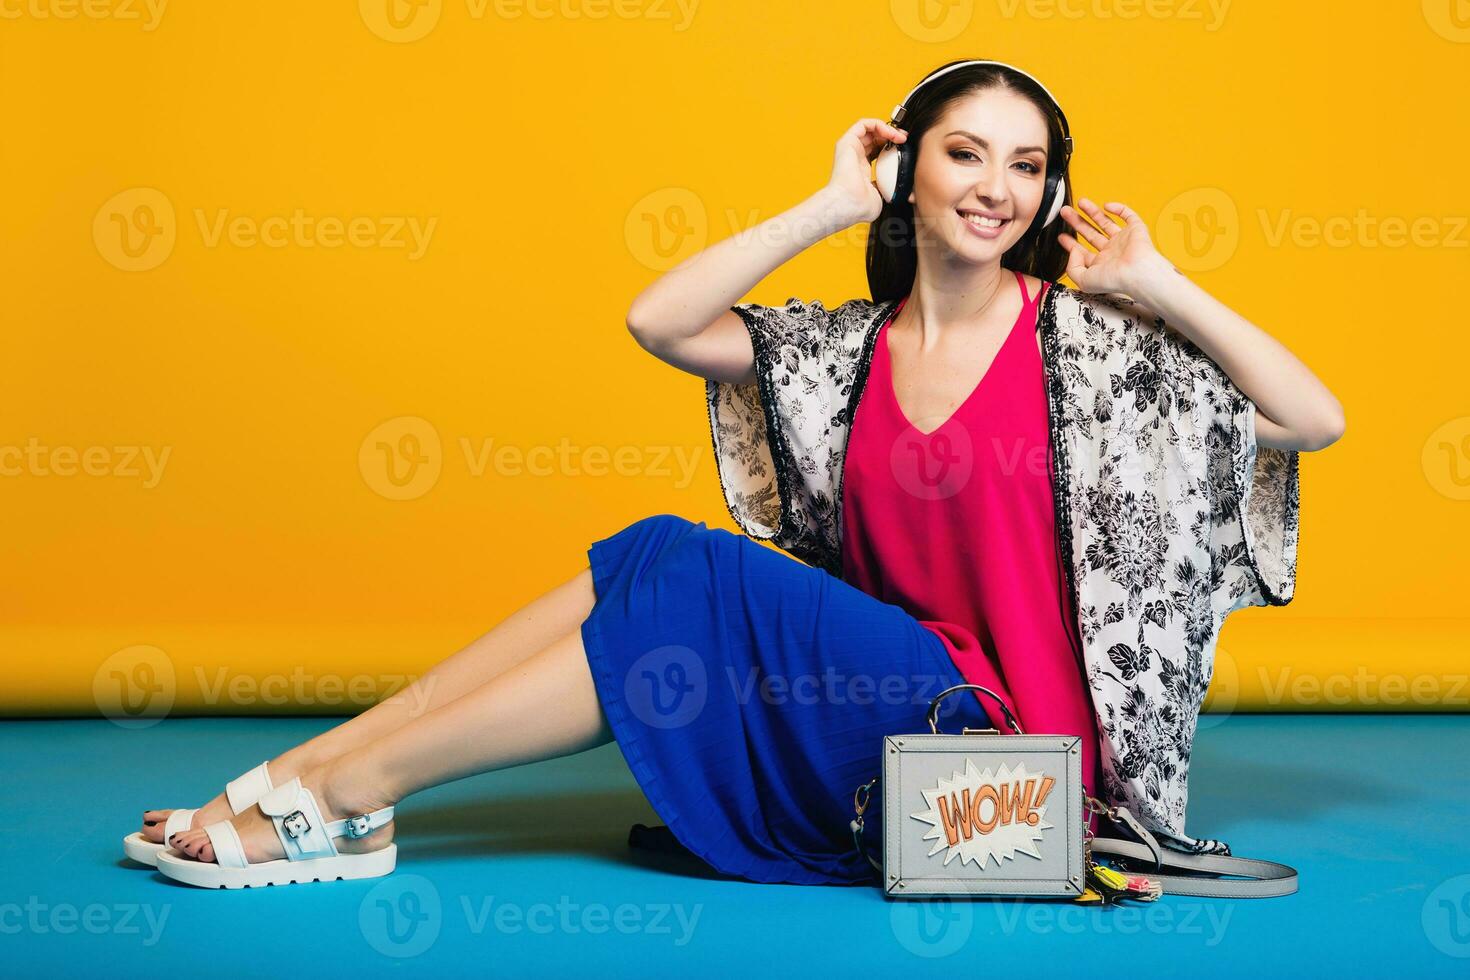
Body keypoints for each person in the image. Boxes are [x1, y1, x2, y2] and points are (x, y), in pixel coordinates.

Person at [140, 61, 1344, 888]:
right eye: (965, 152)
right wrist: (825, 205)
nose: (995, 187)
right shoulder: (846, 353)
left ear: (1052, 193)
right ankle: (318, 772)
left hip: (1003, 762)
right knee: (660, 553)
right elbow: (660, 319)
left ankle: (344, 788)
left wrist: (1155, 286)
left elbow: (1312, 416)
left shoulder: (1092, 354)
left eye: (1027, 166)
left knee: (699, 574)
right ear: (905, 169)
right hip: (873, 699)